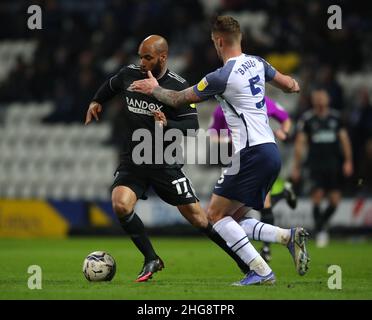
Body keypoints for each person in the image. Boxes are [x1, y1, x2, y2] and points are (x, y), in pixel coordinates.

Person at [130, 16, 310, 285]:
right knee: (234, 219)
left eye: (214, 43)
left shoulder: (221, 76)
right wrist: (294, 84)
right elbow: (290, 85)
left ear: (219, 41)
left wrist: (155, 89)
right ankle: (287, 236)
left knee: (214, 217)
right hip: (270, 151)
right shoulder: (258, 63)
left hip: (251, 153)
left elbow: (178, 99)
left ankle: (261, 272)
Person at [85, 34, 257, 282]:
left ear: (162, 57)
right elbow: (111, 85)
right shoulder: (129, 74)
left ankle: (244, 262)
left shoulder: (178, 86)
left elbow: (191, 126)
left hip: (165, 161)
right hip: (134, 158)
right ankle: (151, 258)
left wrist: (167, 125)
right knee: (120, 204)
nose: (142, 62)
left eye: (148, 57)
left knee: (200, 219)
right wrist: (96, 101)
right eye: (140, 56)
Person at [209, 98, 297, 262]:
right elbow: (212, 134)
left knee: (222, 215)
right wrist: (226, 139)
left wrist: (284, 132)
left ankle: (264, 254)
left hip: (257, 158)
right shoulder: (222, 109)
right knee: (237, 214)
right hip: (240, 160)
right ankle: (284, 202)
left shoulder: (261, 101)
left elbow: (285, 117)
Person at [292, 88, 353, 247]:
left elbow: (344, 140)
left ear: (328, 100)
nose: (319, 100)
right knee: (317, 196)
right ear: (313, 101)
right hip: (315, 164)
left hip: (334, 164)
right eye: (316, 98)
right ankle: (321, 231)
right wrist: (297, 167)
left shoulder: (336, 118)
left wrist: (348, 161)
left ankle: (322, 225)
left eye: (322, 97)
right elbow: (300, 143)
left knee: (334, 200)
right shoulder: (308, 119)